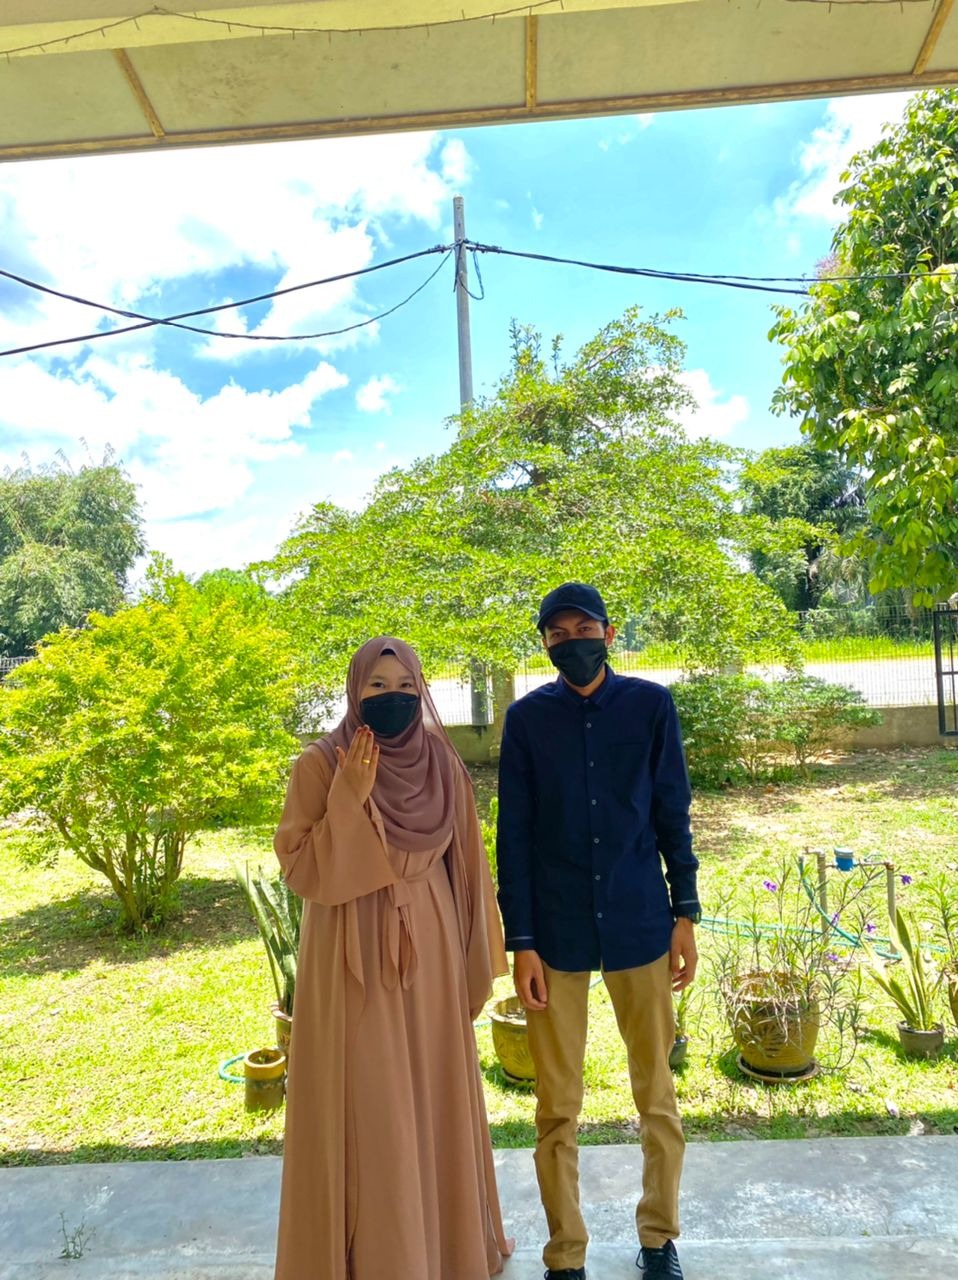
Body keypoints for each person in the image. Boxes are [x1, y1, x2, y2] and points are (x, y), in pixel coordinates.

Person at [272, 637, 514, 1280]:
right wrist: (348, 795)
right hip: (350, 949)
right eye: (376, 687)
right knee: (370, 1101)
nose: (392, 697)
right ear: (354, 692)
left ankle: (445, 1250)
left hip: (429, 944)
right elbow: (300, 866)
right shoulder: (321, 763)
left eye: (405, 686)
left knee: (432, 1089)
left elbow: (466, 864)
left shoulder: (441, 762)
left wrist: (471, 954)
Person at [496, 583, 700, 1280]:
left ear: (609, 634)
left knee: (657, 1096)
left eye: (584, 629)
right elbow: (514, 836)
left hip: (640, 920)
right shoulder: (526, 720)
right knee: (556, 1105)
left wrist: (685, 913)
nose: (572, 641)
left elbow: (672, 811)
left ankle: (658, 1240)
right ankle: (566, 1255)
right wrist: (521, 942)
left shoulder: (650, 707)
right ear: (545, 643)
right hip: (556, 934)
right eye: (558, 633)